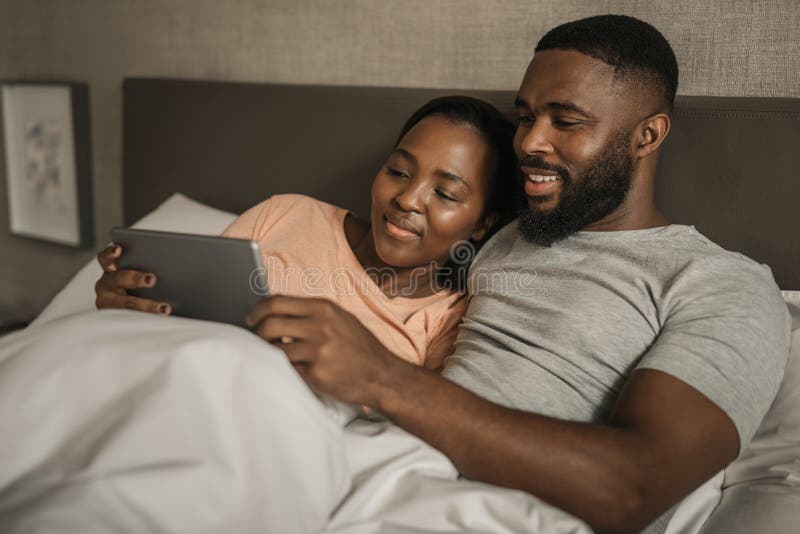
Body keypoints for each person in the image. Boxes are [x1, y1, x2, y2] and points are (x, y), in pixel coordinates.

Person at [243, 15, 791, 533]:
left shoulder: (721, 284)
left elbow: (634, 487)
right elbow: (378, 269)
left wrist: (383, 378)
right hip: (370, 463)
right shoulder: (503, 235)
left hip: (494, 510)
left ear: (647, 136)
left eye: (566, 121)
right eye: (526, 116)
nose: (528, 142)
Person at [94, 96, 518, 371]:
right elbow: (185, 322)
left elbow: (429, 416)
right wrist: (128, 303)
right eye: (398, 172)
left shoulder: (447, 320)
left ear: (483, 223)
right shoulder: (285, 215)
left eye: (444, 193)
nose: (407, 199)